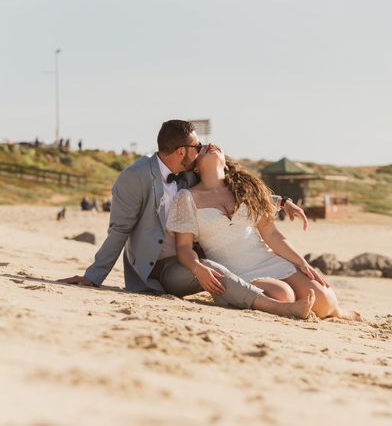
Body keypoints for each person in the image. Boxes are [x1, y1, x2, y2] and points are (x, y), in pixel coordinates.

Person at [59, 120, 314, 319]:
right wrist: (93, 277)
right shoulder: (135, 177)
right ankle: (280, 308)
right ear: (182, 151)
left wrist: (281, 201)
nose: (201, 150)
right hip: (158, 268)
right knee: (209, 267)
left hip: (192, 259)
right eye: (197, 147)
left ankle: (266, 299)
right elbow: (119, 229)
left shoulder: (190, 174)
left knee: (208, 265)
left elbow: (230, 189)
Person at [167, 143, 360, 320]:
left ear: (226, 164)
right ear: (195, 167)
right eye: (201, 149)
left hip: (268, 260)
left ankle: (340, 312)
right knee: (283, 295)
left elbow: (271, 235)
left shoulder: (247, 190)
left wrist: (301, 262)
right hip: (237, 272)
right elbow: (184, 247)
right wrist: (197, 267)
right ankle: (288, 307)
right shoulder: (187, 198)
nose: (209, 146)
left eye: (216, 146)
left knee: (324, 299)